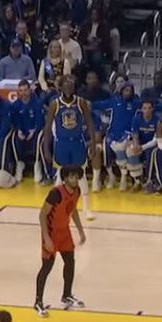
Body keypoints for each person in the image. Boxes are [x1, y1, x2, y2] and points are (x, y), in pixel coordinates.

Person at [34, 166, 88, 317]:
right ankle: (38, 302)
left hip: (65, 231)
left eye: (76, 177)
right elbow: (42, 215)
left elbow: (73, 210)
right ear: (65, 178)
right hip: (51, 232)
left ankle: (67, 295)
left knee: (70, 263)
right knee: (47, 267)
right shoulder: (56, 194)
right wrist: (46, 238)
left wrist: (81, 231)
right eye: (71, 177)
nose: (75, 180)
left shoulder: (77, 191)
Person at [45, 76, 96, 218]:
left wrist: (92, 142)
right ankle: (55, 207)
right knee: (60, 175)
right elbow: (48, 128)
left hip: (77, 142)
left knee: (81, 174)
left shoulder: (81, 102)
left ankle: (86, 208)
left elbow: (90, 123)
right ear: (60, 87)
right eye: (66, 85)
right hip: (62, 142)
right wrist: (46, 149)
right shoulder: (55, 104)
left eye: (71, 85)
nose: (68, 88)